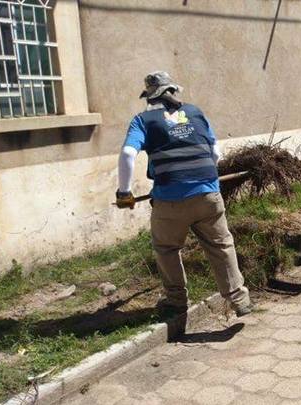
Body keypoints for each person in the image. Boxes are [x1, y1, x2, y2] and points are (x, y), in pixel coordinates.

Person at [115, 71, 252, 318]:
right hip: (208, 194)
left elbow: (127, 155)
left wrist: (124, 192)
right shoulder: (196, 112)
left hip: (170, 199)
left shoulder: (143, 120)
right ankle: (239, 300)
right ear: (174, 91)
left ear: (149, 96)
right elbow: (216, 154)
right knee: (221, 245)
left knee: (167, 248)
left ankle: (176, 302)